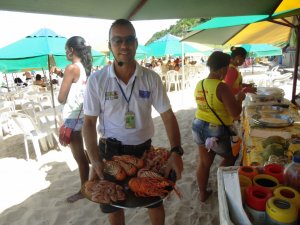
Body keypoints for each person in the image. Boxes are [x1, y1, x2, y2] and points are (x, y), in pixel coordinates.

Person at [83, 19, 184, 225]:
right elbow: (88, 123)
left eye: (129, 39)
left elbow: (167, 115)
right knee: (113, 204)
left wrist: (176, 151)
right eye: (117, 40)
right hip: (110, 153)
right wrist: (94, 159)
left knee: (155, 202)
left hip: (144, 152)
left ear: (136, 43)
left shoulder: (151, 78)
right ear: (110, 44)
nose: (124, 46)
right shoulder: (97, 80)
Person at [192, 51, 245, 202]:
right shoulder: (222, 87)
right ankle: (221, 182)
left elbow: (208, 104)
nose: (227, 72)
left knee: (204, 162)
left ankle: (202, 193)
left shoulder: (200, 83)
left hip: (198, 125)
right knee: (231, 156)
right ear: (222, 69)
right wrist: (240, 98)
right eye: (227, 68)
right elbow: (235, 112)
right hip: (216, 129)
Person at [52, 36, 92, 203]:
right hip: (82, 115)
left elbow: (61, 98)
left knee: (79, 156)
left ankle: (84, 189)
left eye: (66, 49)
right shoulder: (83, 67)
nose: (65, 53)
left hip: (72, 117)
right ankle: (95, 175)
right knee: (83, 153)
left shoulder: (71, 68)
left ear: (71, 50)